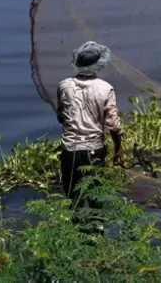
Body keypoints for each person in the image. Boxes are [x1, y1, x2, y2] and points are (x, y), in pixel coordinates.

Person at [56, 41, 124, 207]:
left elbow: (61, 117)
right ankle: (96, 231)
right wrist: (117, 148)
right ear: (99, 65)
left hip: (70, 150)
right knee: (96, 199)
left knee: (73, 199)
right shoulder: (105, 88)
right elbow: (113, 126)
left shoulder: (64, 86)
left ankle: (74, 230)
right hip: (94, 150)